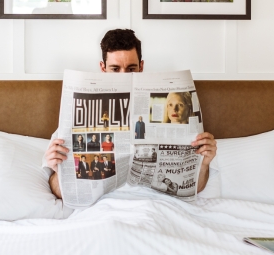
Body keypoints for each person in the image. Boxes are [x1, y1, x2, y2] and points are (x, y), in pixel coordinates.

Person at [44, 28, 217, 199]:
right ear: (103, 68)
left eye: (131, 69)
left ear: (141, 67)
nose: (124, 76)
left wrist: (203, 165)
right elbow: (58, 192)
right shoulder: (75, 117)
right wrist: (58, 170)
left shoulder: (173, 117)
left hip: (156, 207)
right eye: (115, 69)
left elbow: (197, 187)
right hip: (104, 210)